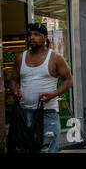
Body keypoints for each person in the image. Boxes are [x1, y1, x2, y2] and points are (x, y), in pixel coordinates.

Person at [10, 23, 73, 153]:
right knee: (24, 149)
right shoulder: (21, 58)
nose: (31, 37)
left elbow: (68, 80)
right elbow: (14, 80)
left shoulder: (55, 58)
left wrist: (53, 94)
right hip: (24, 113)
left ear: (45, 37)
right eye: (29, 34)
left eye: (36, 34)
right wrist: (15, 90)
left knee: (47, 150)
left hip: (47, 114)